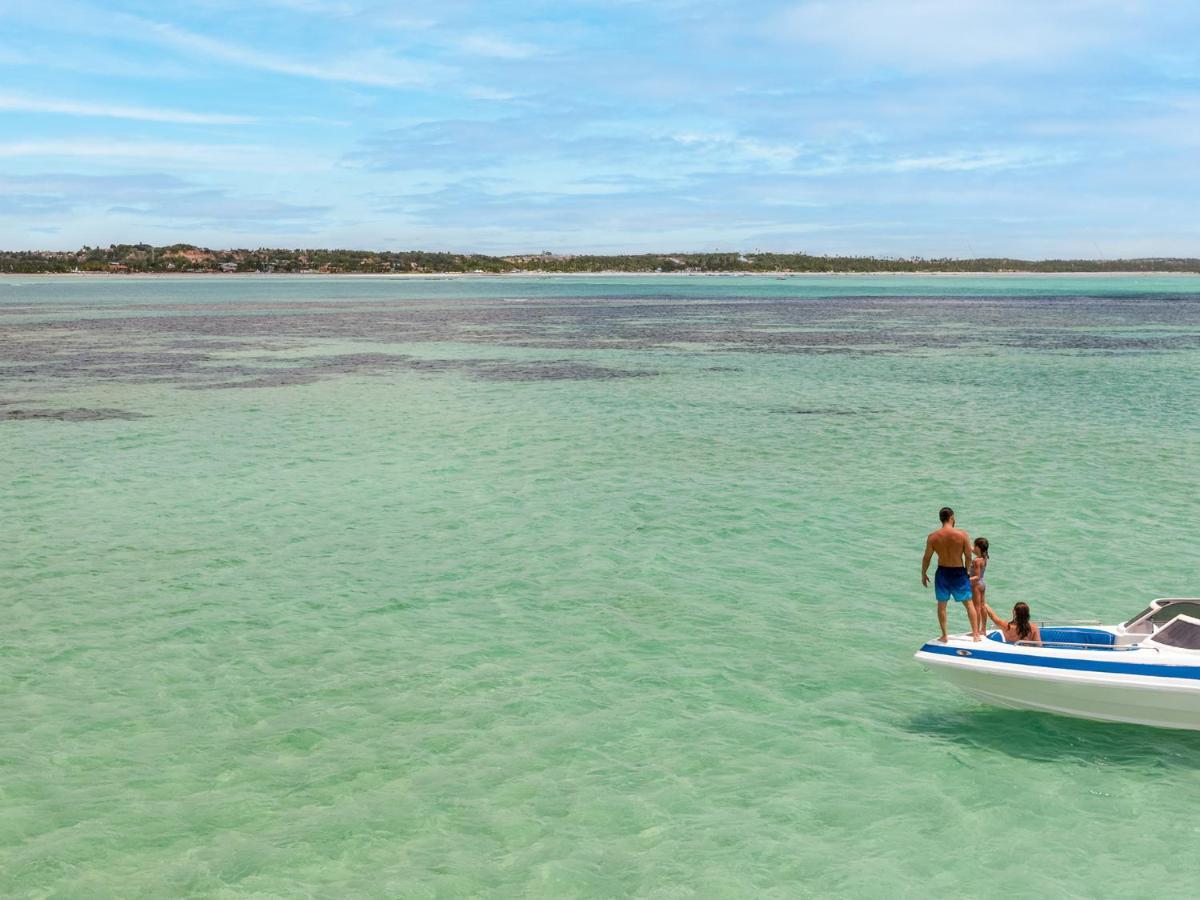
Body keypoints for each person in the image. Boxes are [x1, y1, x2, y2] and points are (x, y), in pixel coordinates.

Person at [921, 506, 979, 642]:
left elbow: (927, 558)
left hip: (942, 572)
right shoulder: (962, 535)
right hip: (958, 572)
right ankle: (976, 635)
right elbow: (969, 556)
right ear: (952, 518)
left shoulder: (933, 537)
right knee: (969, 604)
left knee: (942, 605)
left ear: (941, 519)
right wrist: (966, 570)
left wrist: (923, 574)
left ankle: (945, 635)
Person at [969, 537, 989, 640]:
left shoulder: (977, 561)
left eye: (974, 545)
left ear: (978, 547)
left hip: (976, 585)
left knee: (976, 607)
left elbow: (976, 576)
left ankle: (975, 631)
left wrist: (966, 578)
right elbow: (971, 549)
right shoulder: (984, 557)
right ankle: (983, 630)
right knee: (982, 606)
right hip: (982, 584)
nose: (973, 548)